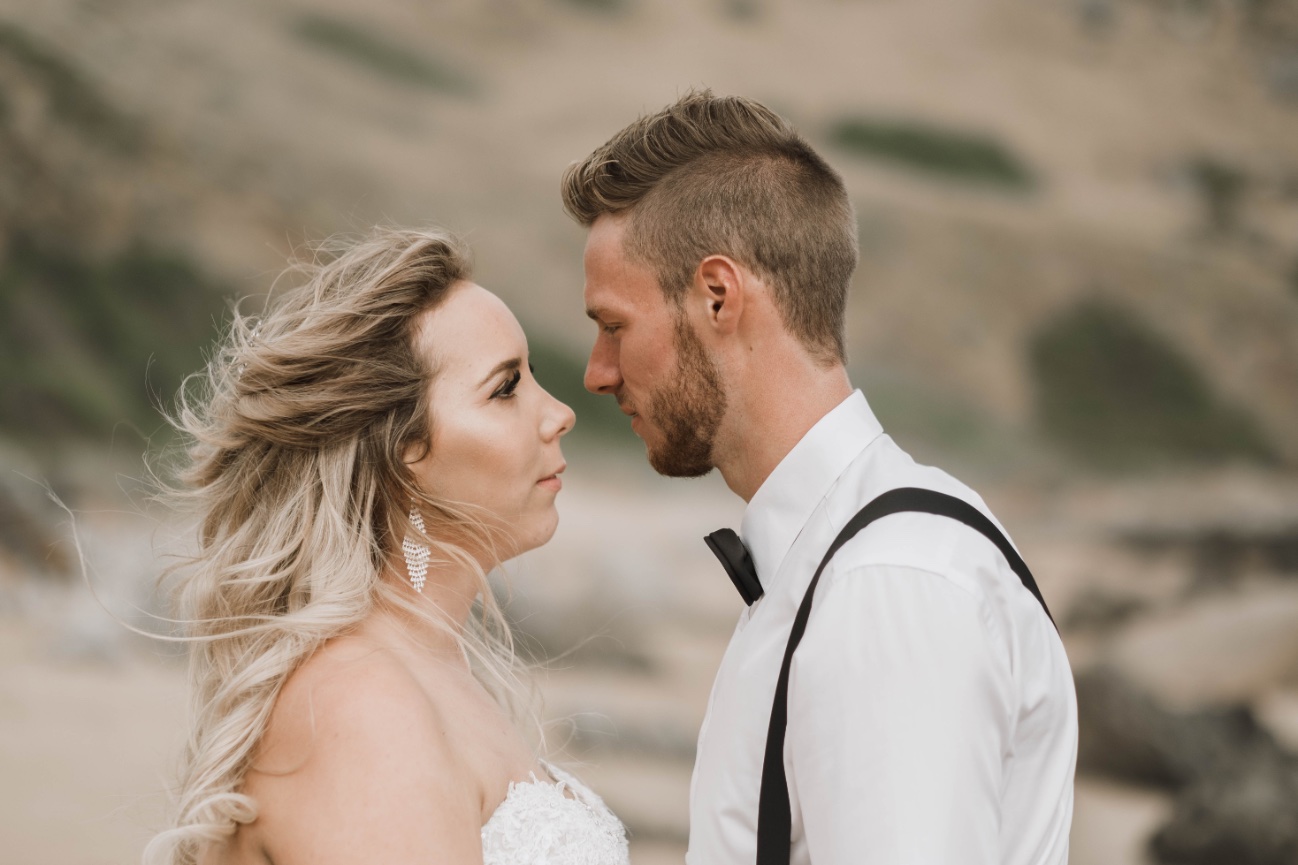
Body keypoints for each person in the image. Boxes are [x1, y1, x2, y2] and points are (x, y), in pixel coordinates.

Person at [562, 91, 1078, 865]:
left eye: (614, 326)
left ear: (717, 296)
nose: (597, 373)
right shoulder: (843, 562)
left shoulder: (887, 584)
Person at [146, 227, 629, 865]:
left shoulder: (427, 673)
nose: (561, 413)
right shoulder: (362, 708)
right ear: (403, 456)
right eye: (506, 387)